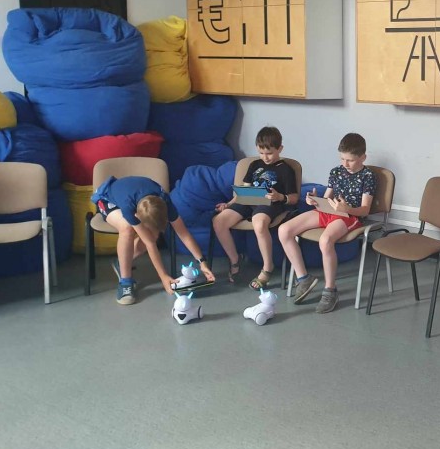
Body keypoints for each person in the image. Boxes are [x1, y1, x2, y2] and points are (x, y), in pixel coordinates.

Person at [278, 132, 375, 314]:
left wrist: (347, 209)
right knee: (284, 230)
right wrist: (314, 200)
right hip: (327, 211)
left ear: (363, 157)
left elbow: (365, 210)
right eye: (342, 159)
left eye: (350, 160)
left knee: (325, 240)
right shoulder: (336, 171)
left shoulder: (367, 176)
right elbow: (327, 198)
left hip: (349, 216)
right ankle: (303, 278)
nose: (345, 164)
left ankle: (330, 290)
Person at [91, 175, 215, 305]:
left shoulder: (165, 201)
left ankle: (122, 262)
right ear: (136, 216)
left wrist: (202, 262)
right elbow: (149, 243)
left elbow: (184, 234)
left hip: (134, 196)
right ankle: (125, 281)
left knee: (153, 235)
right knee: (127, 228)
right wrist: (163, 277)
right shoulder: (129, 208)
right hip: (107, 199)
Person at [212, 126, 299, 289]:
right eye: (261, 153)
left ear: (280, 149)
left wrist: (280, 197)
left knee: (259, 223)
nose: (265, 157)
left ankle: (267, 267)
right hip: (248, 201)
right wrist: (228, 204)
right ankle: (235, 259)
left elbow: (294, 198)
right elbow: (243, 191)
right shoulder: (254, 165)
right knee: (219, 221)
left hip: (271, 203)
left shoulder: (285, 169)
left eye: (269, 153)